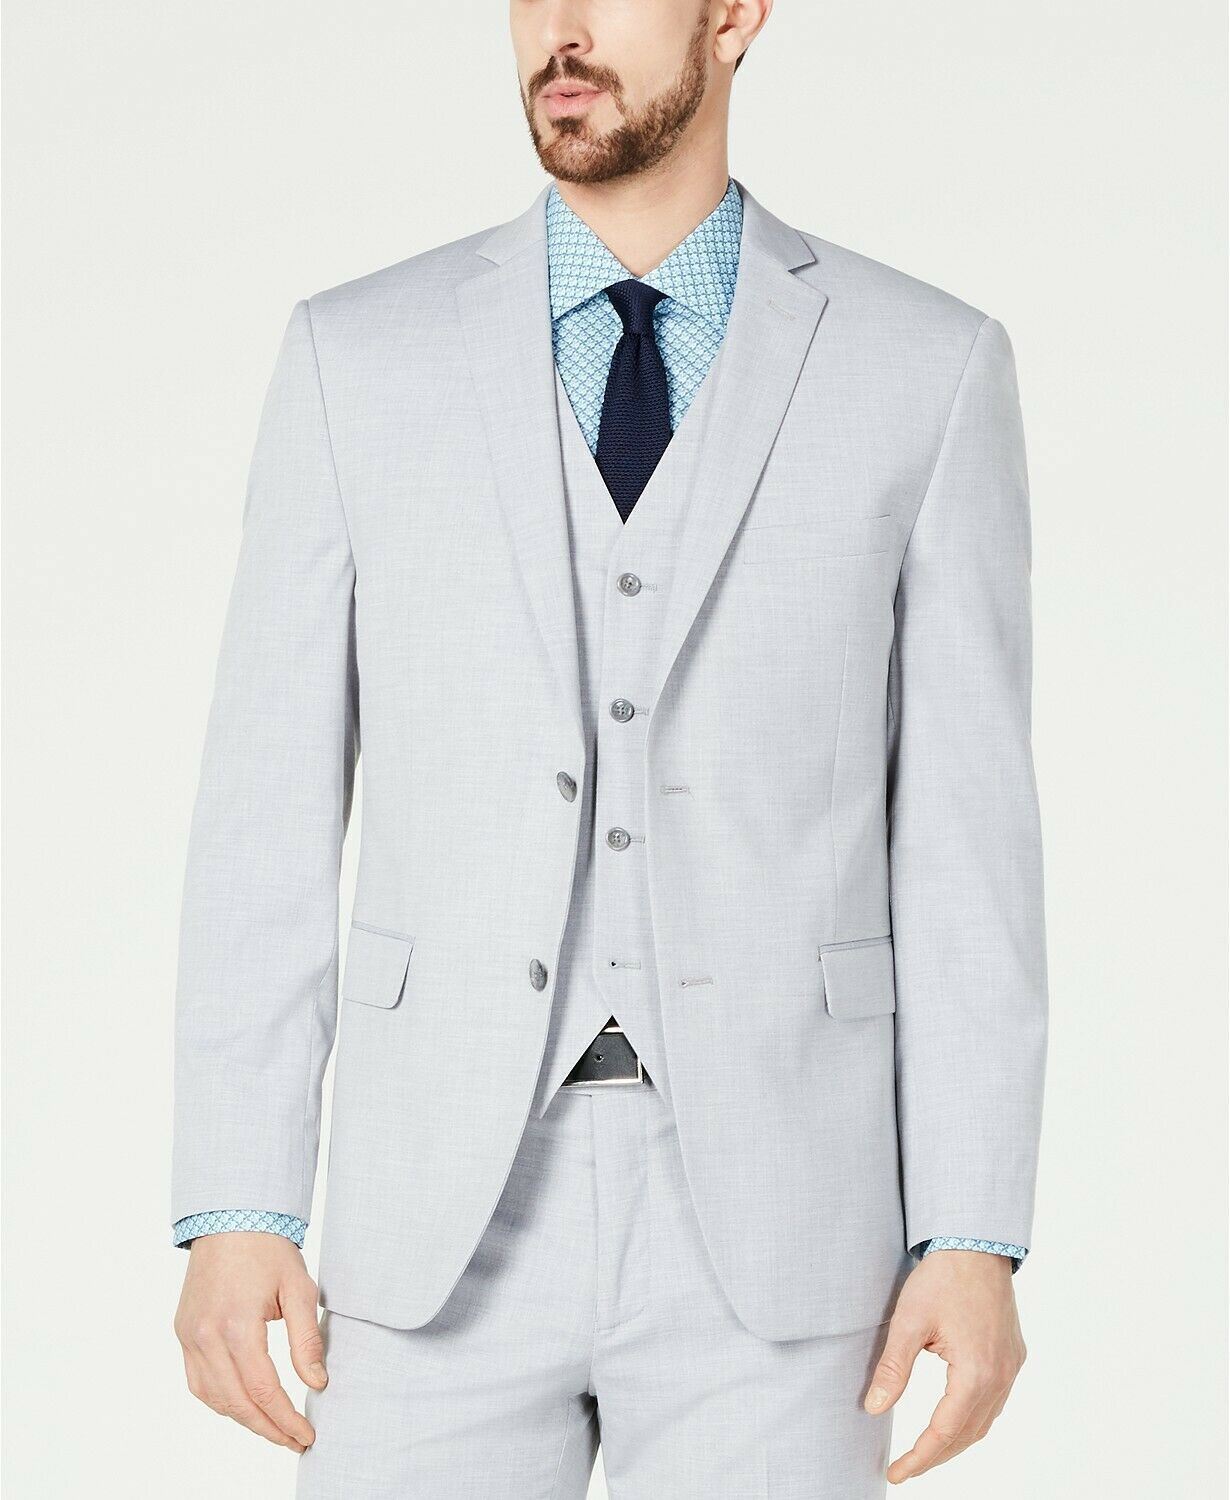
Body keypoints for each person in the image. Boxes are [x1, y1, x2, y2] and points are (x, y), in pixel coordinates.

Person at [171, 2, 1047, 1494]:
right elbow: (265, 803)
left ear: (733, 13)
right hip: (432, 1217)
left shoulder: (925, 364)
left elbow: (967, 839)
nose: (561, 32)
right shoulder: (355, 356)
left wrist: (970, 1228)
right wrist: (237, 1197)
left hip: (785, 1223)